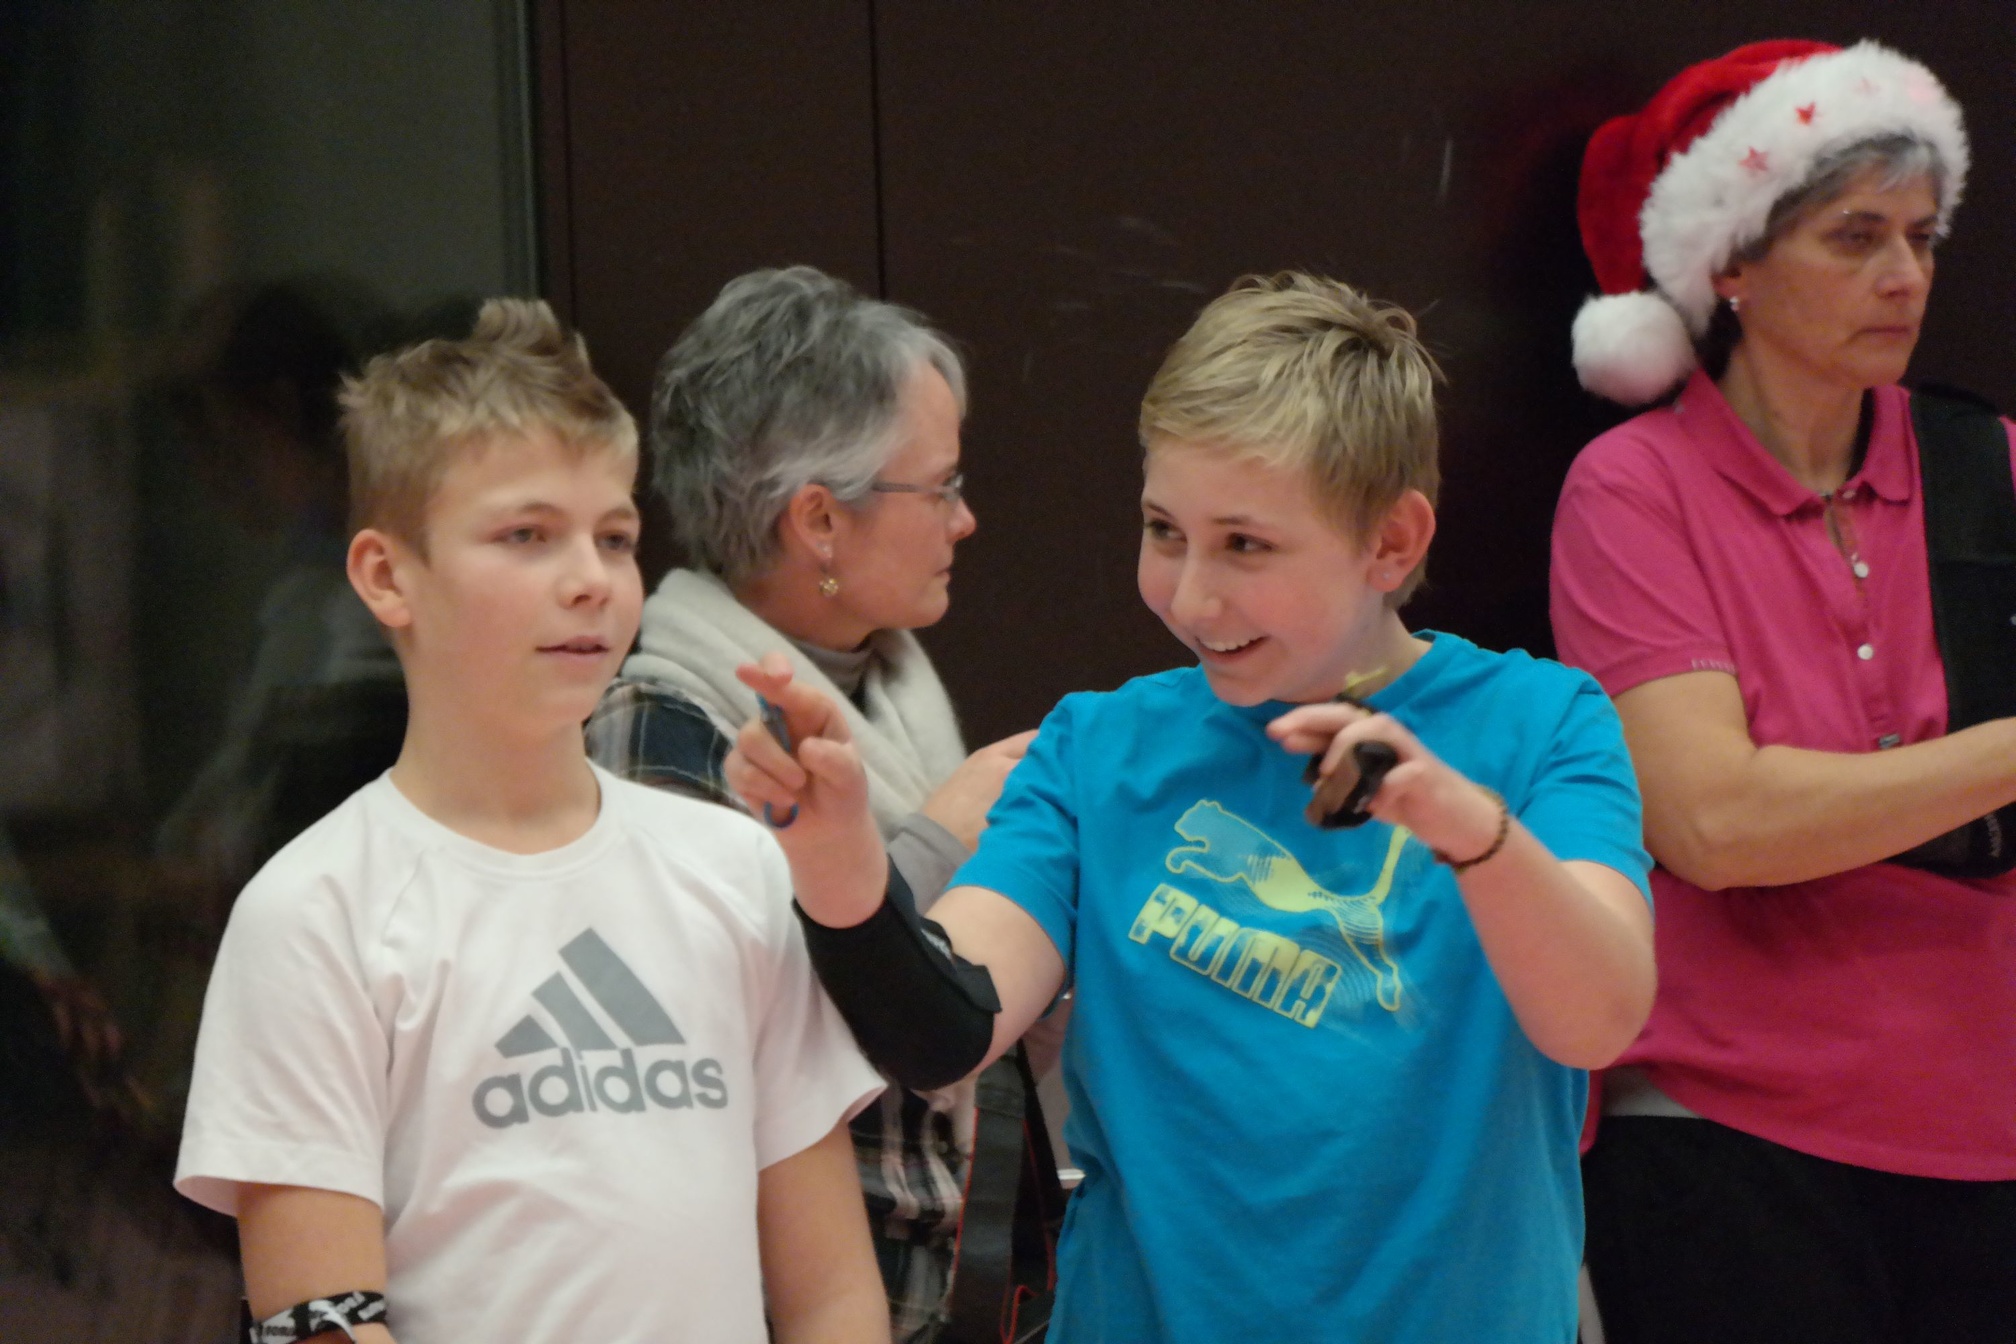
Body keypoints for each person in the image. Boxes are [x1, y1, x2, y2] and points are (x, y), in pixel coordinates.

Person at [729, 272, 1657, 1342]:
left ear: (1392, 543)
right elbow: (944, 1029)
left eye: (1245, 545)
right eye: (1164, 530)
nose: (1192, 594)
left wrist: (1466, 829)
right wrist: (841, 863)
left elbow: (1597, 1019)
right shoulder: (1098, 748)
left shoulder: (1543, 723)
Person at [172, 299, 887, 1344]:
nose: (590, 581)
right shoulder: (315, 912)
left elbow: (832, 1296)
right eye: (527, 536)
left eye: (616, 538)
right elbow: (321, 1325)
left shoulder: (734, 867)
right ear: (386, 576)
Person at [1553, 39, 2016, 1342]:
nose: (1904, 275)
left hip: (1987, 1125)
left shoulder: (1989, 466)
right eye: (1856, 236)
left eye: (1921, 237)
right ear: (1732, 264)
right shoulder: (1634, 488)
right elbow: (1715, 824)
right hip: (1721, 1129)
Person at [586, 265, 1049, 1342]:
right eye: (940, 486)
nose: (966, 519)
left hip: (952, 1284)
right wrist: (938, 848)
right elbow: (711, 1050)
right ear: (819, 520)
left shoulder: (889, 683)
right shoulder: (660, 726)